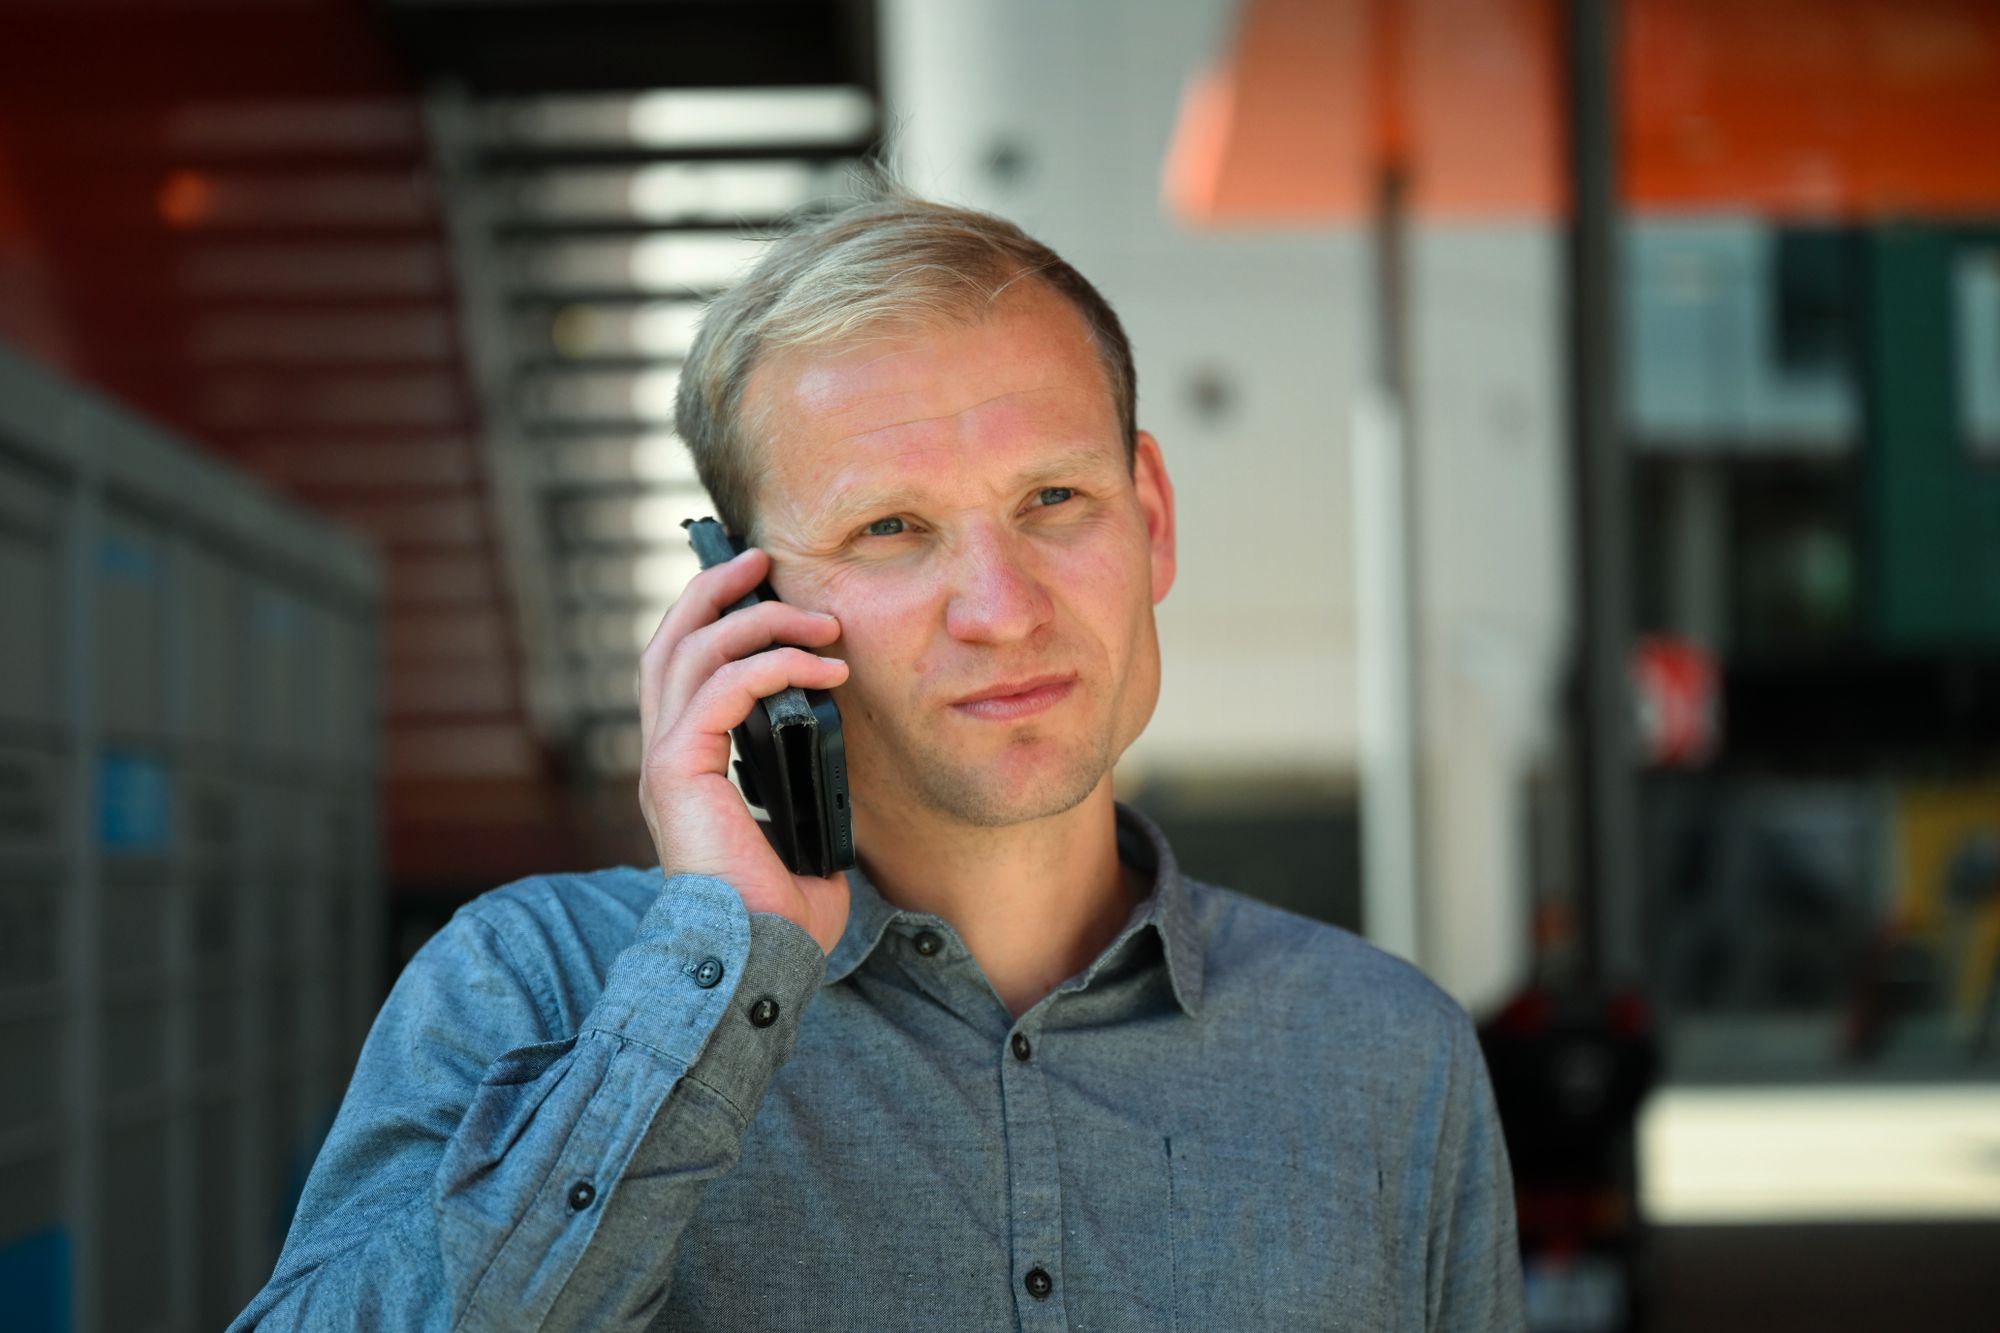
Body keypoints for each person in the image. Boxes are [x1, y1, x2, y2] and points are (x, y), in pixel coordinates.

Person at [232, 190, 1526, 1331]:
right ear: (742, 608)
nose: (1000, 604)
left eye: (1054, 501)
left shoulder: (1385, 1049)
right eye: (892, 526)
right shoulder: (534, 986)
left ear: (1151, 519)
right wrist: (710, 976)